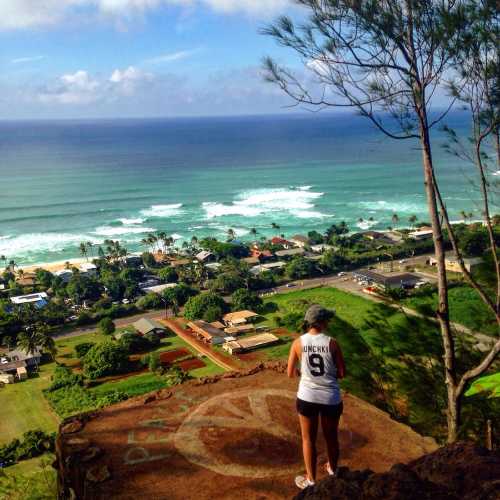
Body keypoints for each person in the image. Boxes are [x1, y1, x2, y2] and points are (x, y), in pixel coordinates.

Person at [287, 304, 346, 490]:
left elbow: (290, 372)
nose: (328, 322)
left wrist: (304, 373)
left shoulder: (298, 343)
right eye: (327, 319)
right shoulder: (332, 343)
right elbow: (342, 373)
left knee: (308, 440)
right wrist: (328, 375)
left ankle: (311, 480)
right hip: (330, 398)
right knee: (331, 438)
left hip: (307, 397)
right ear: (320, 322)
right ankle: (333, 470)